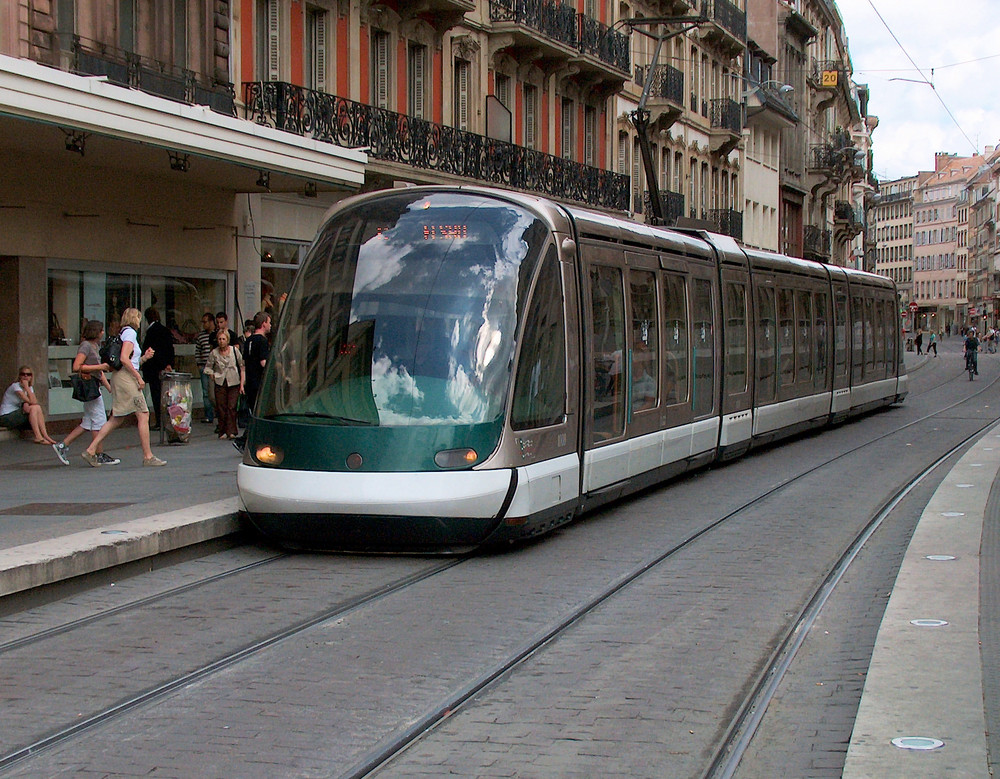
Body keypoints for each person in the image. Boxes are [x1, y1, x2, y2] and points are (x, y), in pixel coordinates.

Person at [81, 307, 166, 467]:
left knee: (116, 418)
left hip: (120, 377)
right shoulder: (131, 333)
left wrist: (144, 359)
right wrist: (138, 377)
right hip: (127, 380)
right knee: (143, 414)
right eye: (139, 318)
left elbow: (128, 360)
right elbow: (125, 359)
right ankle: (148, 456)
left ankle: (91, 450)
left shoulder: (123, 332)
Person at [52, 320, 119, 466]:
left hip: (94, 384)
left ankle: (63, 445)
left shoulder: (95, 346)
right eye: (101, 330)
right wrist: (100, 366)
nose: (103, 333)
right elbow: (77, 366)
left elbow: (99, 372)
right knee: (99, 421)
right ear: (96, 332)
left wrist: (108, 387)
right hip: (89, 387)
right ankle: (97, 453)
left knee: (88, 421)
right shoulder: (86, 346)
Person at [233, 311, 271, 452]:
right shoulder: (262, 341)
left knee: (255, 412)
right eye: (269, 322)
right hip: (259, 383)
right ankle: (243, 441)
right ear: (263, 324)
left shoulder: (248, 340)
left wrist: (243, 382)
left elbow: (243, 364)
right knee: (258, 413)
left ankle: (252, 440)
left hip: (250, 382)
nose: (270, 325)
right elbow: (263, 363)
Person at [0, 366, 60, 452]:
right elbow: (32, 402)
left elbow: (34, 402)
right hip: (6, 417)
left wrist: (28, 389)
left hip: (17, 416)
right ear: (19, 376)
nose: (25, 376)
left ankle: (45, 435)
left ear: (31, 376)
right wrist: (27, 388)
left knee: (37, 408)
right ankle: (38, 436)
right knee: (34, 408)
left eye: (28, 374)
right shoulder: (15, 386)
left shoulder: (29, 387)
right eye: (23, 374)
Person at [205, 329, 245, 440]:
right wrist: (212, 374)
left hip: (234, 381)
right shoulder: (214, 353)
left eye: (223, 339)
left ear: (227, 340)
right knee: (221, 407)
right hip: (220, 381)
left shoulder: (234, 350)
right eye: (219, 339)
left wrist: (242, 383)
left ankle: (232, 431)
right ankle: (222, 431)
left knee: (231, 407)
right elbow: (207, 367)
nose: (221, 341)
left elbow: (242, 365)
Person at [141, 307, 175, 431]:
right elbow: (169, 348)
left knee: (157, 395)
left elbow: (154, 350)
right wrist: (169, 364)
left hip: (154, 367)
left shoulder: (151, 331)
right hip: (162, 366)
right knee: (164, 395)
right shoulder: (164, 330)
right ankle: (165, 421)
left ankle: (160, 422)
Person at [194, 313, 216, 425]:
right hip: (204, 366)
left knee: (214, 392)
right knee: (205, 392)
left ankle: (217, 412)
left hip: (215, 368)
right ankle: (209, 415)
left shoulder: (217, 334)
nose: (203, 324)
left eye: (205, 322)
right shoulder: (201, 336)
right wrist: (199, 364)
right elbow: (198, 350)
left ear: (211, 322)